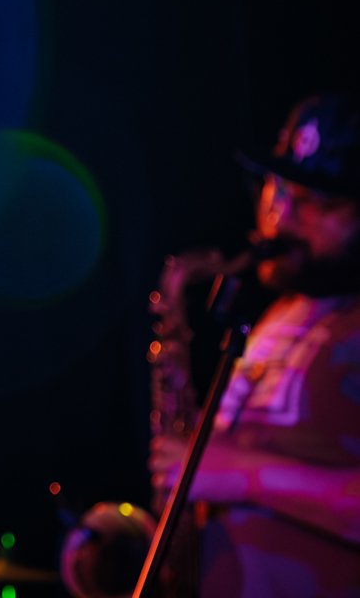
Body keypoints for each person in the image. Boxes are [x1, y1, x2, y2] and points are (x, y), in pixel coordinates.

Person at [151, 94, 360, 598]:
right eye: (277, 188)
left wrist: (241, 474)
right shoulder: (273, 318)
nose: (281, 214)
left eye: (319, 201)